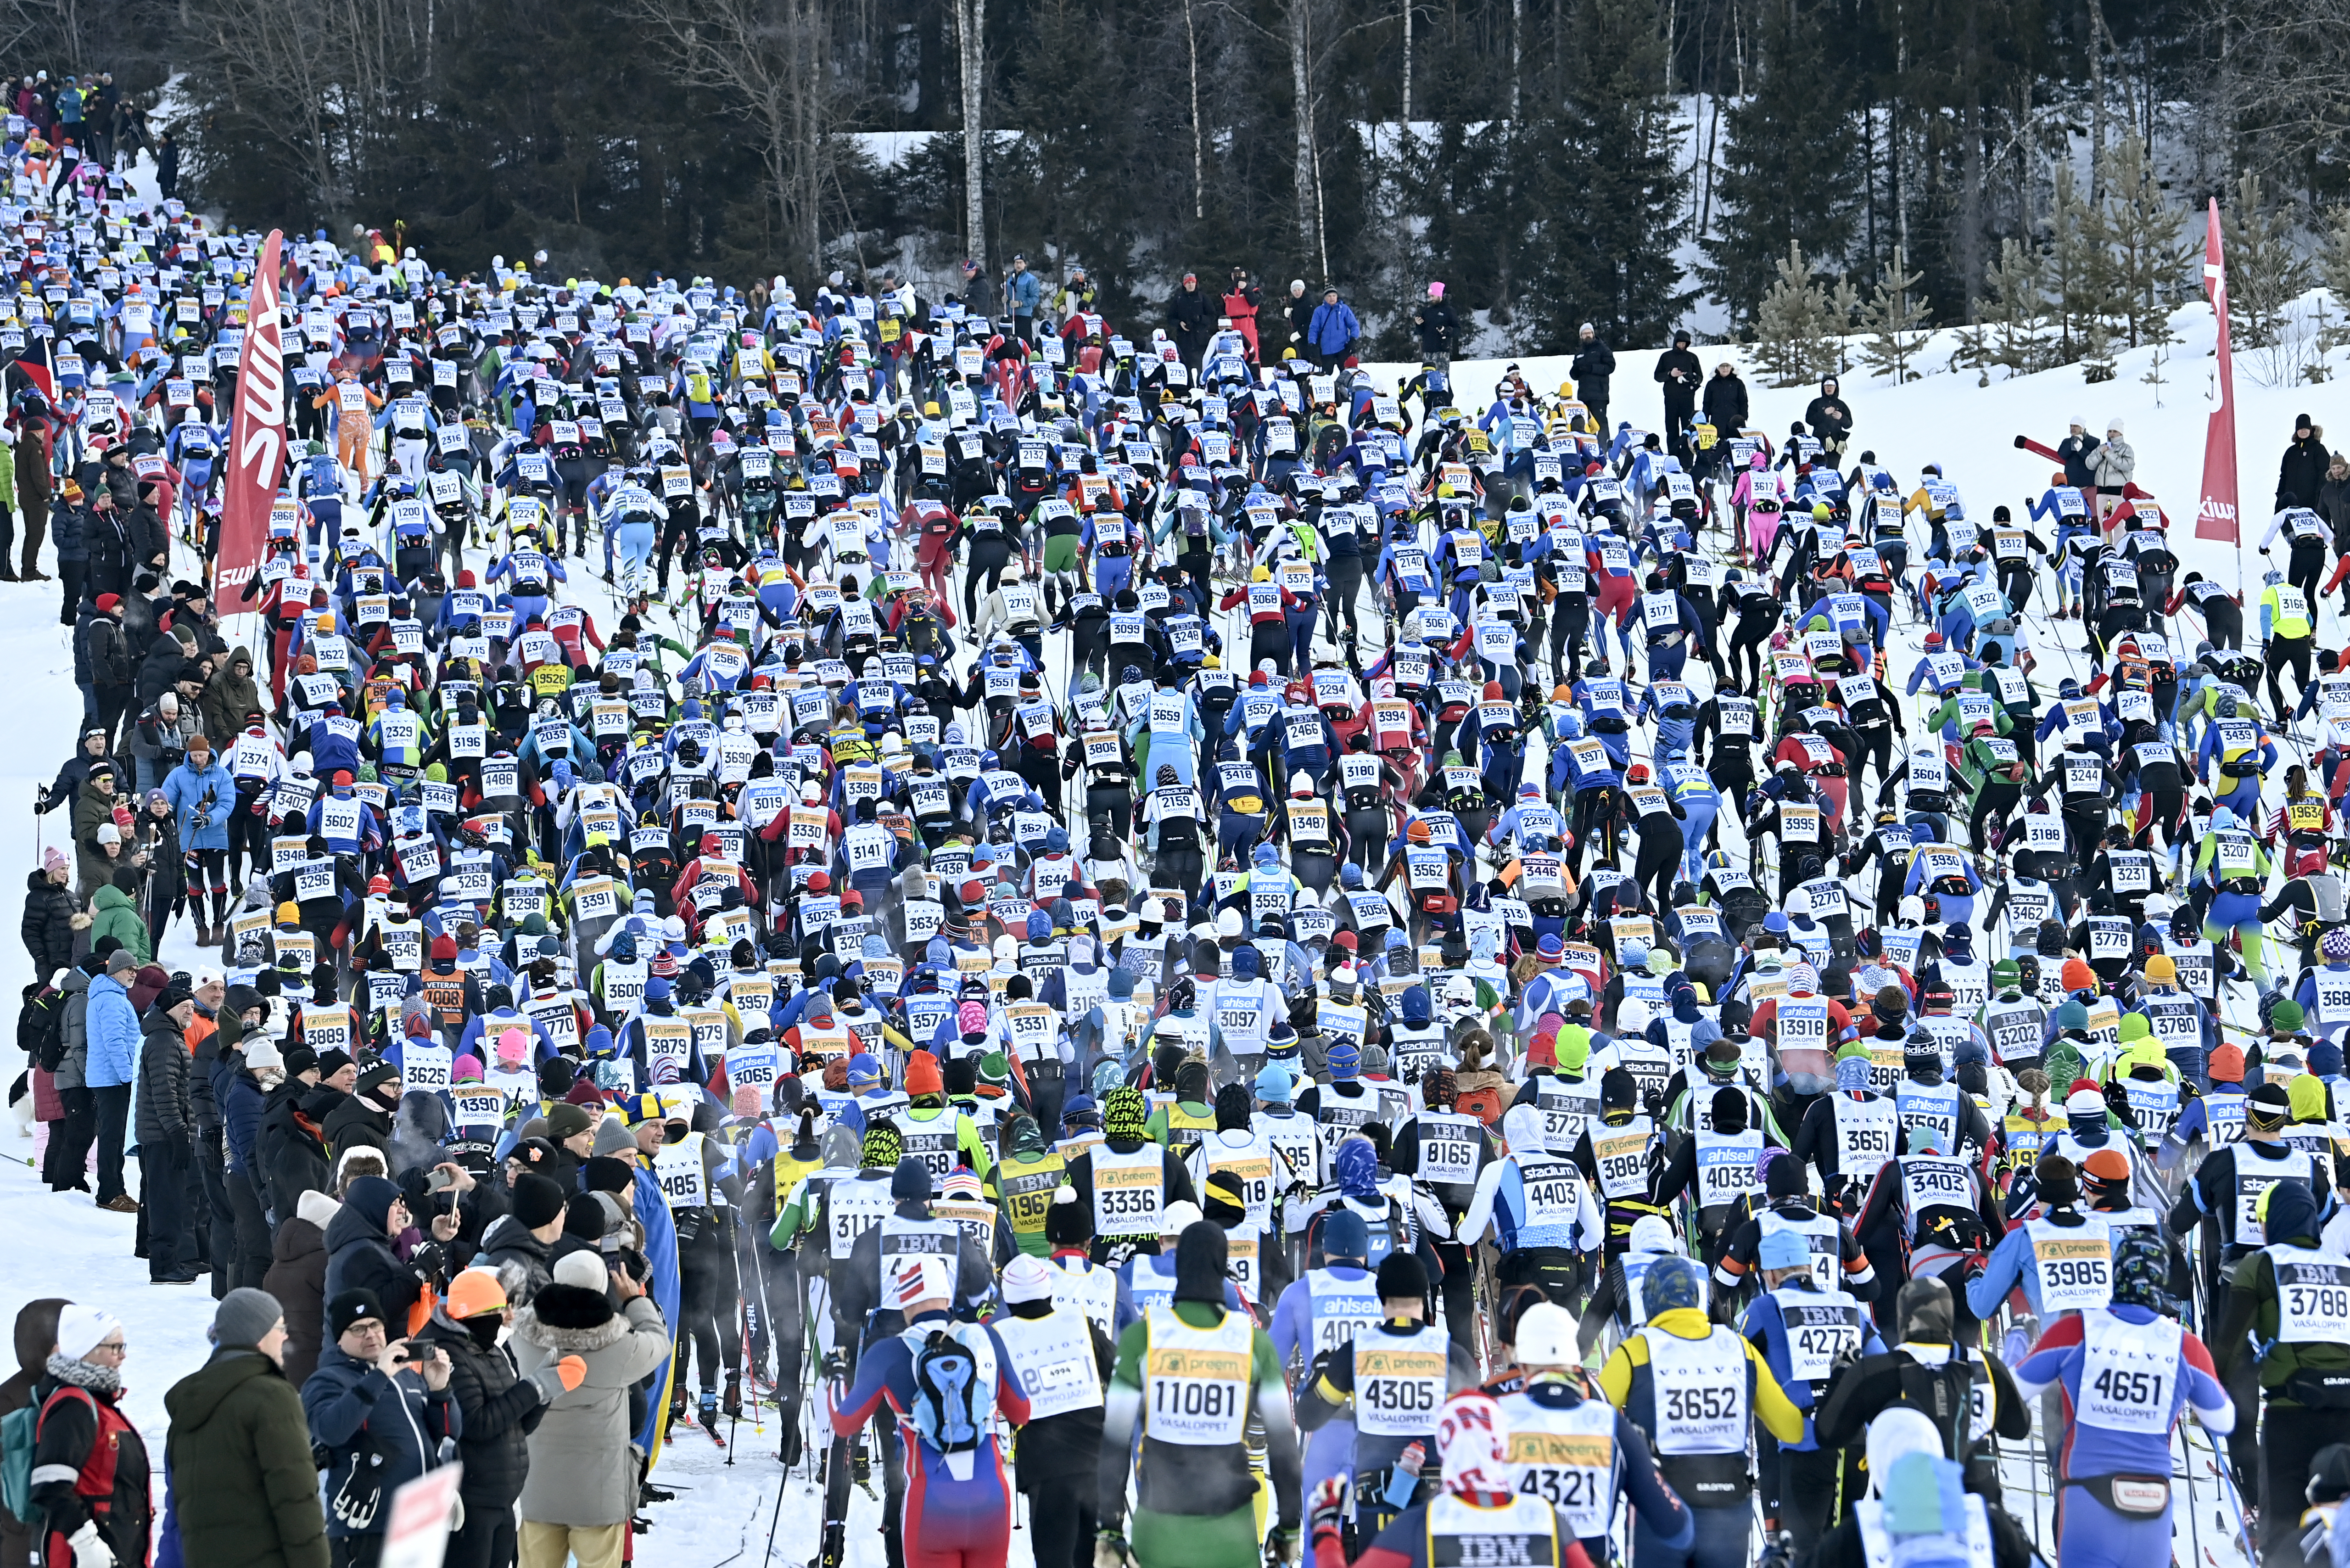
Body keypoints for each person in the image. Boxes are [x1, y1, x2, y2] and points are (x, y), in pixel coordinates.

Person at [2011, 1231, 2235, 1568]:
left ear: (2114, 1273)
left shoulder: (2075, 1329)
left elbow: (2013, 1390)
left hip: (2086, 1499)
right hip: (2152, 1502)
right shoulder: (2184, 1345)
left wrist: (2018, 1338)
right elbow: (2223, 1421)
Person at [1096, 1221, 1304, 1568]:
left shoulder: (1141, 1338)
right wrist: (1289, 1528)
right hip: (1232, 1535)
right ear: (1224, 1268)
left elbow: (1115, 1442)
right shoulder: (1254, 1344)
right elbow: (1283, 1446)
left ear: (1178, 1267)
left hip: (1158, 1529)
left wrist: (1109, 1529)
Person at [509, 1249, 672, 1568]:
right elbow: (659, 1340)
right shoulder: (621, 1346)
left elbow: (526, 1316)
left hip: (538, 1488)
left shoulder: (525, 1338)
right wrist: (634, 1300)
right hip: (599, 1496)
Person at [415, 1269, 587, 1568]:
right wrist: (534, 1388)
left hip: (502, 1499)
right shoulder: (447, 1355)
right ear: (474, 1314)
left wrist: (545, 1394)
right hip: (471, 1500)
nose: (505, 1317)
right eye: (497, 1310)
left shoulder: (490, 1350)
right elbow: (477, 1424)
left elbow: (517, 1425)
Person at [161, 1289, 330, 1568]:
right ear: (260, 1334)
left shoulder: (190, 1403)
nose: (285, 1337)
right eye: (280, 1328)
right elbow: (295, 1500)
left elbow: (179, 1514)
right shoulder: (270, 1395)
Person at [27, 1305, 149, 1568]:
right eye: (115, 1347)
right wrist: (87, 1545)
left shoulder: (96, 1401)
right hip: (85, 1557)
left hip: (115, 1551)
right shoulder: (73, 1405)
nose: (123, 1355)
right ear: (88, 1350)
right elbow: (50, 1485)